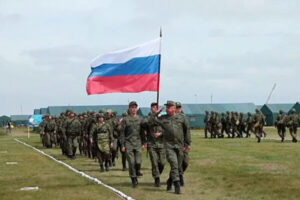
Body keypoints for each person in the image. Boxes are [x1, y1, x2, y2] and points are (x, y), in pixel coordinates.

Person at [153, 100, 191, 194]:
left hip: (179, 145)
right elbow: (151, 122)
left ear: (174, 108)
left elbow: (187, 131)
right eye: (166, 107)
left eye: (169, 107)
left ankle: (169, 181)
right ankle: (177, 186)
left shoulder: (182, 118)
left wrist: (187, 144)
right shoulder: (163, 118)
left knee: (178, 167)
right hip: (168, 146)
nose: (167, 109)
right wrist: (155, 114)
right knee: (174, 165)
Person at [120, 101, 147, 188]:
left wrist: (144, 143)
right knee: (131, 162)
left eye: (135, 107)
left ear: (137, 108)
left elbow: (143, 132)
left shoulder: (140, 119)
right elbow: (122, 133)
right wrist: (122, 145)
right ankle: (133, 179)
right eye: (132, 107)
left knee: (138, 162)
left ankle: (137, 171)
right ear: (129, 109)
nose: (133, 109)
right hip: (128, 143)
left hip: (138, 143)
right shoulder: (125, 120)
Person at [144, 102, 166, 187]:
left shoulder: (163, 118)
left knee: (162, 162)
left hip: (161, 144)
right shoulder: (149, 118)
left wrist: (161, 133)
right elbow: (145, 124)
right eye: (153, 107)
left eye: (156, 107)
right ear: (151, 109)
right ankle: (157, 178)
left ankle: (157, 173)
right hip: (151, 144)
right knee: (154, 162)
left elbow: (168, 129)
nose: (154, 108)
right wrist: (154, 115)